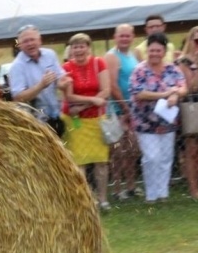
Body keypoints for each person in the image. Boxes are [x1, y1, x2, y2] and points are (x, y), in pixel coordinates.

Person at [128, 33, 188, 204]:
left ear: (164, 51)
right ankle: (151, 194)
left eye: (158, 50)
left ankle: (163, 193)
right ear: (147, 50)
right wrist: (164, 94)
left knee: (165, 158)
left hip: (167, 121)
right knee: (151, 158)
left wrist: (175, 95)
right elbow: (138, 92)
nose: (154, 53)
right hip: (145, 122)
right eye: (151, 50)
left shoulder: (172, 69)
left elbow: (183, 87)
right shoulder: (139, 70)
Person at [60, 33, 112, 210]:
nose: (79, 49)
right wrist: (91, 102)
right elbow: (69, 96)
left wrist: (82, 105)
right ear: (70, 49)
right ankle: (85, 202)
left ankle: (103, 199)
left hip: (97, 120)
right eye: (75, 46)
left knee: (101, 162)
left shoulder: (99, 63)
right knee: (79, 163)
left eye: (82, 46)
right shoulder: (66, 67)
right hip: (75, 121)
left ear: (89, 47)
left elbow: (106, 90)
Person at [175, 26, 198, 200]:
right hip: (189, 106)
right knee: (191, 149)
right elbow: (191, 88)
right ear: (190, 40)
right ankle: (193, 188)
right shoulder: (182, 62)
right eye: (197, 40)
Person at [9, 25, 69, 134]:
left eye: (32, 39)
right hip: (36, 124)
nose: (30, 43)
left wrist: (63, 83)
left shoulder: (50, 54)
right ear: (19, 45)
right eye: (25, 41)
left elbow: (60, 77)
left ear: (40, 40)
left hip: (57, 115)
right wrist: (41, 85)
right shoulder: (17, 66)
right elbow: (18, 97)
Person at [104, 24, 141, 201]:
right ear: (115, 37)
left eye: (128, 36)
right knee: (118, 152)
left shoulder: (134, 55)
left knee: (132, 151)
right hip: (118, 110)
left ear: (133, 37)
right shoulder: (111, 56)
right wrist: (125, 109)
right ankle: (118, 189)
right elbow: (112, 86)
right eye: (121, 36)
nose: (124, 38)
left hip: (133, 110)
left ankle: (131, 186)